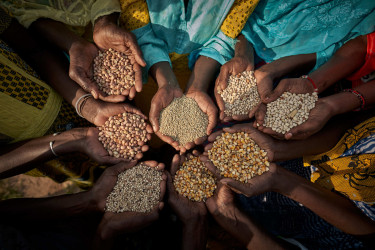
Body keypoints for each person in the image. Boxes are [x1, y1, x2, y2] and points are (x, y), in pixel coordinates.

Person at [0, 9, 152, 187]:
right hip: (30, 151)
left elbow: (33, 50)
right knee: (101, 180)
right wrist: (73, 140)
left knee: (141, 151)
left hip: (65, 86)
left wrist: (89, 106)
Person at [201, 108, 375, 249]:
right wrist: (280, 149)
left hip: (315, 217)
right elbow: (362, 128)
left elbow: (369, 234)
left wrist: (228, 215)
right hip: (307, 151)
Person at [119, 0, 260, 152]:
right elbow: (138, 27)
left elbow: (226, 35)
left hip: (200, 68)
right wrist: (167, 84)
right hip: (150, 68)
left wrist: (197, 86)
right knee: (150, 122)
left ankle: (164, 150)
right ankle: (157, 149)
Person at [0, 161, 166, 249]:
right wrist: (105, 234)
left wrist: (90, 201)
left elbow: (5, 214)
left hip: (34, 232)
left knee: (84, 226)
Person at [1, 0, 145, 102]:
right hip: (60, 47)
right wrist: (74, 45)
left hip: (115, 17)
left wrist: (104, 22)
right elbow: (22, 11)